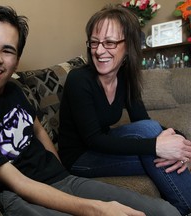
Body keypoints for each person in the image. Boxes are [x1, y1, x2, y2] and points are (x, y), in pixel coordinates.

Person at [0, 3, 182, 216]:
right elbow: (20, 184)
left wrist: (60, 169)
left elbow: (36, 128)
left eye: (7, 50)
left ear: (16, 60)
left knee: (165, 211)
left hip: (59, 178)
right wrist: (99, 208)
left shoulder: (13, 90)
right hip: (19, 195)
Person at [58, 4, 191, 216]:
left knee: (154, 136)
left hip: (103, 143)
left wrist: (181, 143)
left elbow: (143, 120)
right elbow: (94, 140)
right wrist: (158, 146)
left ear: (128, 46)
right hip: (79, 158)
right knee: (156, 149)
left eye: (109, 42)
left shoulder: (125, 77)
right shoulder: (78, 80)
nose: (100, 50)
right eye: (94, 43)